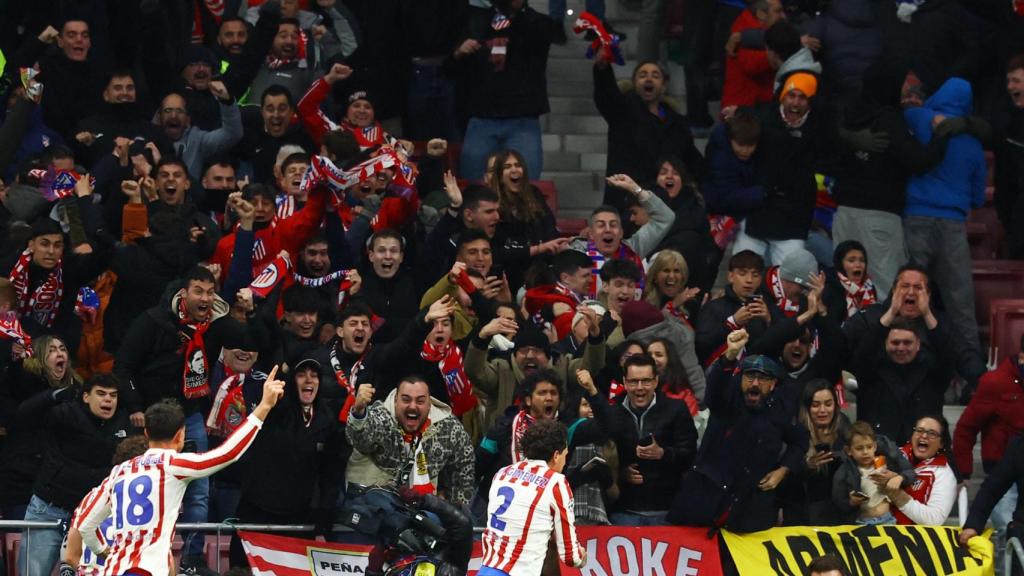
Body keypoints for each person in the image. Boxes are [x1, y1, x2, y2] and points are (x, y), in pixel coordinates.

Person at [77, 368, 286, 575]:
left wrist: (102, 551)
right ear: (180, 436)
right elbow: (228, 453)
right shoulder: (174, 466)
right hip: (145, 570)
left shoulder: (119, 472)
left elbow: (86, 525)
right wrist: (264, 407)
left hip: (115, 570)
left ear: (146, 432)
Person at [669, 329, 809, 533]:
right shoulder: (726, 401)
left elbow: (800, 441)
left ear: (772, 384)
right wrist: (729, 356)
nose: (754, 383)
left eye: (762, 379)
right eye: (749, 376)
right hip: (703, 505)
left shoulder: (780, 413)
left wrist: (782, 470)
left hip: (748, 514)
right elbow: (715, 389)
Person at [227, 358, 345, 568]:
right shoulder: (274, 411)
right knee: (242, 571)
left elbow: (331, 476)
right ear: (291, 381)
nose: (309, 380)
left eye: (314, 375)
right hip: (257, 511)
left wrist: (322, 525)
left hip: (298, 517)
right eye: (301, 374)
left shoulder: (327, 420)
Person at [902, 77, 987, 357]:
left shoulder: (917, 117)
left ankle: (905, 356)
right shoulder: (973, 143)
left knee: (910, 295)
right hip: (952, 225)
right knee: (960, 302)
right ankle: (971, 370)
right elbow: (977, 196)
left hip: (915, 219)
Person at [16, 373, 132, 576]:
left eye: (113, 395)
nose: (108, 400)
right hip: (50, 509)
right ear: (86, 397)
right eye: (101, 394)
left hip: (95, 518)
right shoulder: (66, 412)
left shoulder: (124, 422)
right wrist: (55, 395)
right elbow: (23, 415)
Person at [576, 355, 698, 526]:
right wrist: (621, 472)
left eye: (646, 381)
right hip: (624, 511)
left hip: (666, 512)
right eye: (633, 381)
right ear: (625, 382)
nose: (640, 387)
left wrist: (662, 453)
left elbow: (690, 455)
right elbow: (606, 437)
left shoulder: (676, 409)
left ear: (656, 381)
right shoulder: (615, 410)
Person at [452, 0, 553, 180]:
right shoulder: (477, 21)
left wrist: (513, 16)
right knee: (473, 186)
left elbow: (542, 42)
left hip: (523, 117)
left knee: (526, 185)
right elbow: (454, 67)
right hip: (482, 116)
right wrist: (460, 52)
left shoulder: (537, 23)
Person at [592, 57, 705, 217]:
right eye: (643, 75)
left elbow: (692, 161)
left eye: (655, 75)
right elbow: (606, 96)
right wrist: (603, 68)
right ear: (634, 82)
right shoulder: (623, 111)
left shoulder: (677, 123)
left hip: (667, 203)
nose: (649, 78)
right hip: (627, 204)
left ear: (664, 85)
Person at [345, 375, 475, 506]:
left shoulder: (449, 428)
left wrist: (455, 513)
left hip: (421, 511)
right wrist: (359, 412)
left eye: (420, 401)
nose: (412, 406)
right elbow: (359, 439)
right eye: (406, 400)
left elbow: (463, 472)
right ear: (396, 400)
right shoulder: (380, 417)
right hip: (369, 506)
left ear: (430, 403)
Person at [479, 419, 586, 575]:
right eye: (565, 455)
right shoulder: (556, 483)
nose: (564, 463)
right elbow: (570, 556)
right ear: (556, 455)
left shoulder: (502, 473)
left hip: (486, 570)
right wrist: (581, 555)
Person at [953, 335, 1024, 546]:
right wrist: (964, 471)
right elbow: (966, 428)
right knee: (1005, 529)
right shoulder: (995, 382)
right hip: (1004, 466)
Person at [779, 379, 849, 526]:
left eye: (828, 404)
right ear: (806, 408)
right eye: (815, 405)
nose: (823, 410)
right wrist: (805, 468)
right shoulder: (794, 434)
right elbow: (782, 488)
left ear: (836, 406)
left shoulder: (845, 430)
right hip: (802, 522)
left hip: (839, 521)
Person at [875, 414, 957, 525]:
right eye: (919, 430)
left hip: (912, 539)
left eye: (932, 433)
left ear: (941, 443)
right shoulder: (892, 455)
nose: (924, 436)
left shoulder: (943, 474)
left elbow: (934, 520)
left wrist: (896, 493)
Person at [831, 421, 915, 526]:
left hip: (888, 519)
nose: (865, 452)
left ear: (875, 446)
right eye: (859, 448)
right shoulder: (844, 472)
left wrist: (899, 478)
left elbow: (911, 472)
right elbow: (837, 502)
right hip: (862, 522)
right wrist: (851, 502)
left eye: (869, 447)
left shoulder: (887, 462)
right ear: (848, 450)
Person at [721, 0, 784, 111]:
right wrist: (777, 55)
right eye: (778, 12)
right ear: (761, 14)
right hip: (744, 110)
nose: (783, 16)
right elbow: (751, 65)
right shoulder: (745, 26)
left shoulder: (747, 30)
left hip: (757, 103)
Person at [995, 55, 1024, 258]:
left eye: (1016, 80)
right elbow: (1004, 179)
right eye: (1008, 81)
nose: (1010, 86)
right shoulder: (1007, 123)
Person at [822, 240, 877, 322]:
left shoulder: (869, 287)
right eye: (851, 261)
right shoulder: (830, 287)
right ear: (840, 264)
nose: (858, 265)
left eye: (862, 260)